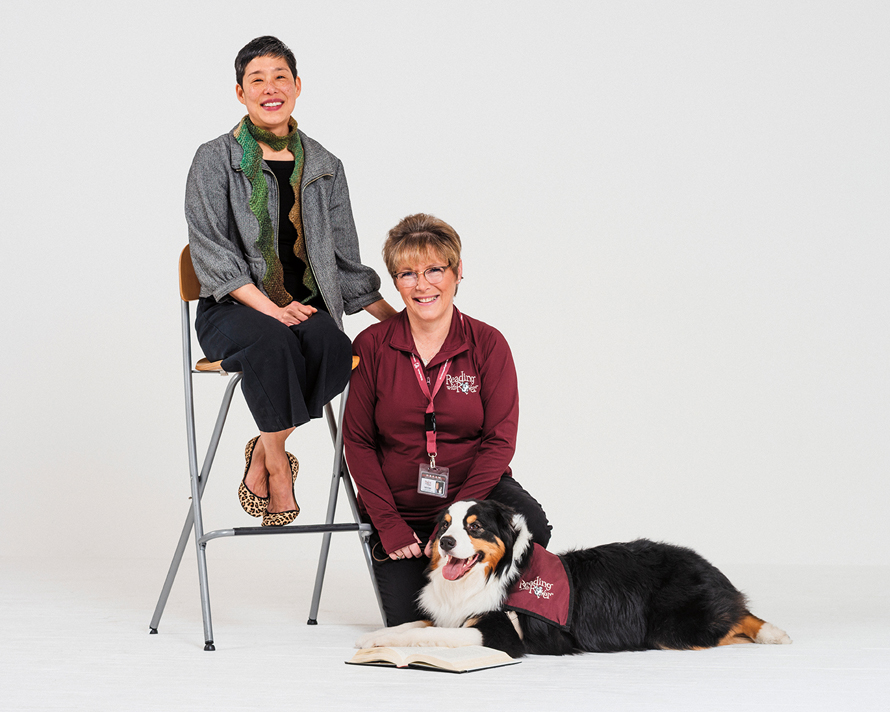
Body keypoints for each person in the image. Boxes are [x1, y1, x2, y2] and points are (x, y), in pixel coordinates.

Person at [185, 36, 397, 527]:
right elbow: (211, 252)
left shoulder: (325, 166)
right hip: (232, 310)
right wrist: (271, 309)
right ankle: (279, 467)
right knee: (274, 342)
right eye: (257, 80)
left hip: (302, 309)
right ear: (240, 92)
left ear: (298, 86)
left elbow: (344, 261)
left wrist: (399, 321)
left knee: (332, 345)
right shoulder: (214, 159)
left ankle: (267, 446)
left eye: (280, 77)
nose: (270, 88)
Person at [343, 213, 551, 625]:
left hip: (475, 500)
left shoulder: (488, 344)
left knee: (531, 525)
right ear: (396, 282)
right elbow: (359, 442)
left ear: (457, 273)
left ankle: (490, 600)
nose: (422, 285)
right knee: (414, 620)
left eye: (435, 270)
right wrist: (388, 524)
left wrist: (456, 519)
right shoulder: (370, 345)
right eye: (407, 274)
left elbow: (499, 440)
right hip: (403, 508)